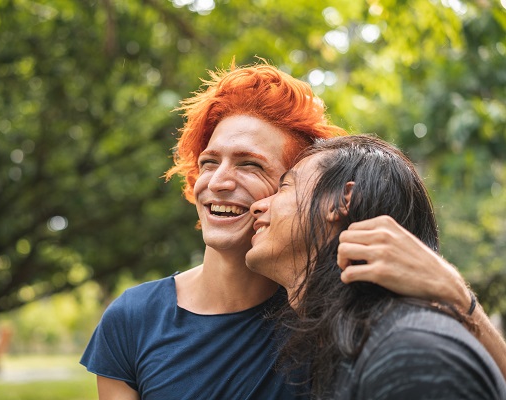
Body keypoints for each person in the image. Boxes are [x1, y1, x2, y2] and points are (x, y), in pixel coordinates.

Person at [81, 61, 506, 399]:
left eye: (251, 165)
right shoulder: (134, 318)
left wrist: (458, 298)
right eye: (210, 162)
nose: (219, 181)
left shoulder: (328, 311)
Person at [246, 135, 506, 399]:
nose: (258, 206)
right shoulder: (347, 348)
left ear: (342, 199)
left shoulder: (409, 357)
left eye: (286, 186)